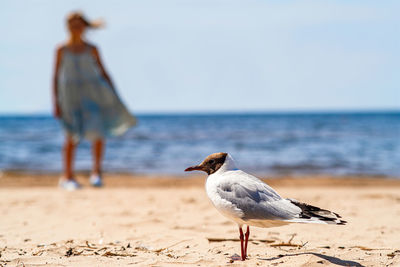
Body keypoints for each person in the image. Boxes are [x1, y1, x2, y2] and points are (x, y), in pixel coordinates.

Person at [52, 11, 136, 190]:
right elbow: (56, 77)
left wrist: (115, 95)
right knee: (71, 135)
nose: (75, 28)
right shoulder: (61, 49)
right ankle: (67, 177)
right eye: (72, 25)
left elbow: (104, 72)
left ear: (84, 27)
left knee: (98, 133)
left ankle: (96, 173)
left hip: (95, 94)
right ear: (67, 27)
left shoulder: (92, 48)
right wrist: (56, 102)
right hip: (70, 96)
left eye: (78, 24)